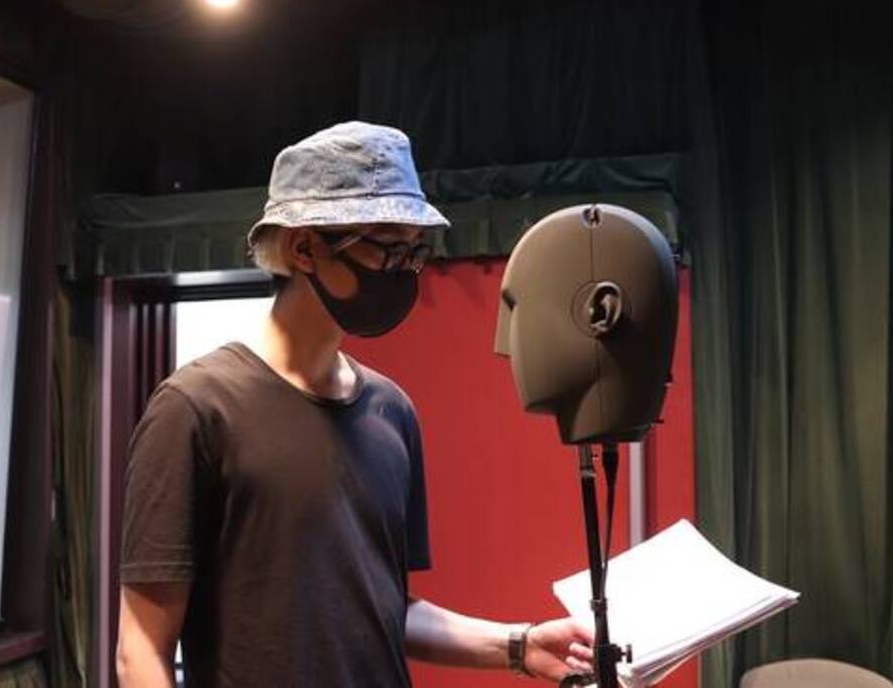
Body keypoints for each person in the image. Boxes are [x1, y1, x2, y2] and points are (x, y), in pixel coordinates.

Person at [116, 121, 595, 687]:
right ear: (304, 249)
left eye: (414, 252)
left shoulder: (390, 411)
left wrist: (518, 645)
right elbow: (140, 650)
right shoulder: (195, 408)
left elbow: (385, 611)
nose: (404, 271)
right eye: (388, 249)